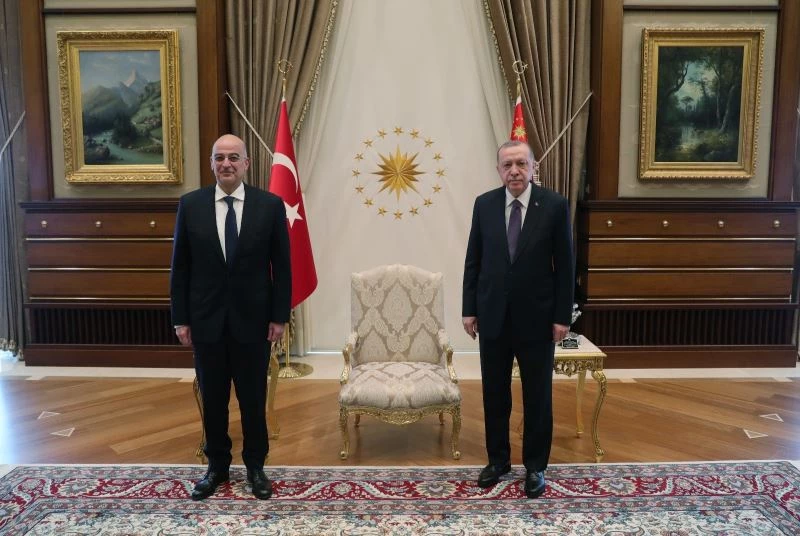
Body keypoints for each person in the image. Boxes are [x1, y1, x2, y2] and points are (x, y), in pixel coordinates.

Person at [170, 134, 291, 500]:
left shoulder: (270, 206)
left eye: (234, 157)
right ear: (211, 164)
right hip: (206, 322)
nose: (226, 163)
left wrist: (279, 317)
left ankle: (255, 466)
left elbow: (282, 267)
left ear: (246, 164)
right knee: (214, 399)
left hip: (254, 322)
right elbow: (180, 267)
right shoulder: (190, 205)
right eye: (220, 157)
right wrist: (181, 319)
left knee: (253, 400)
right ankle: (217, 467)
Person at [462, 140, 574, 498]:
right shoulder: (484, 204)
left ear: (533, 167)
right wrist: (469, 308)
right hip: (492, 316)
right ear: (498, 169)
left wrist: (562, 317)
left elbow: (566, 266)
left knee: (537, 396)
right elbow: (473, 260)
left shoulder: (554, 205)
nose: (514, 171)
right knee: (495, 394)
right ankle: (498, 461)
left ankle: (535, 466)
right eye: (507, 165)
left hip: (538, 319)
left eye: (521, 164)